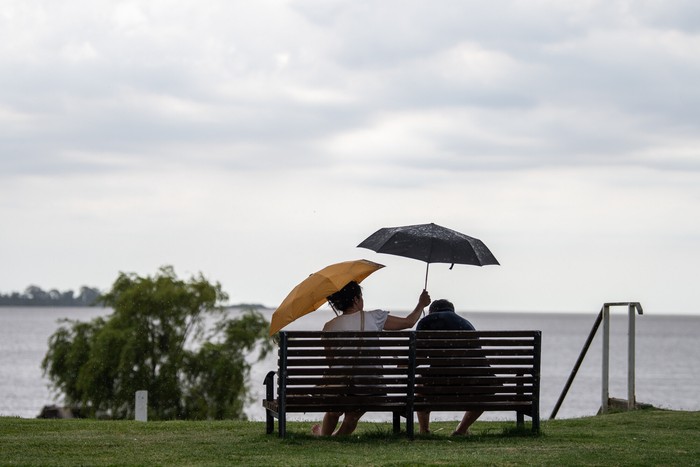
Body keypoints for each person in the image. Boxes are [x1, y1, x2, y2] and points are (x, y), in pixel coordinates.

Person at [311, 280, 431, 437]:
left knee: (334, 409)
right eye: (361, 297)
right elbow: (409, 322)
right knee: (352, 415)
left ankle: (324, 436)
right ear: (355, 299)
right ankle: (333, 436)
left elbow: (332, 363)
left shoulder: (329, 326)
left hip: (342, 388)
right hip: (372, 387)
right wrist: (421, 304)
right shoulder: (375, 317)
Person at [416, 298, 484, 436]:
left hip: (437, 382)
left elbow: (419, 358)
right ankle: (461, 430)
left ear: (431, 311)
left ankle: (424, 430)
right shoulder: (467, 324)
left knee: (420, 386)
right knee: (485, 391)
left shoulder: (426, 321)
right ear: (452, 311)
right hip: (469, 383)